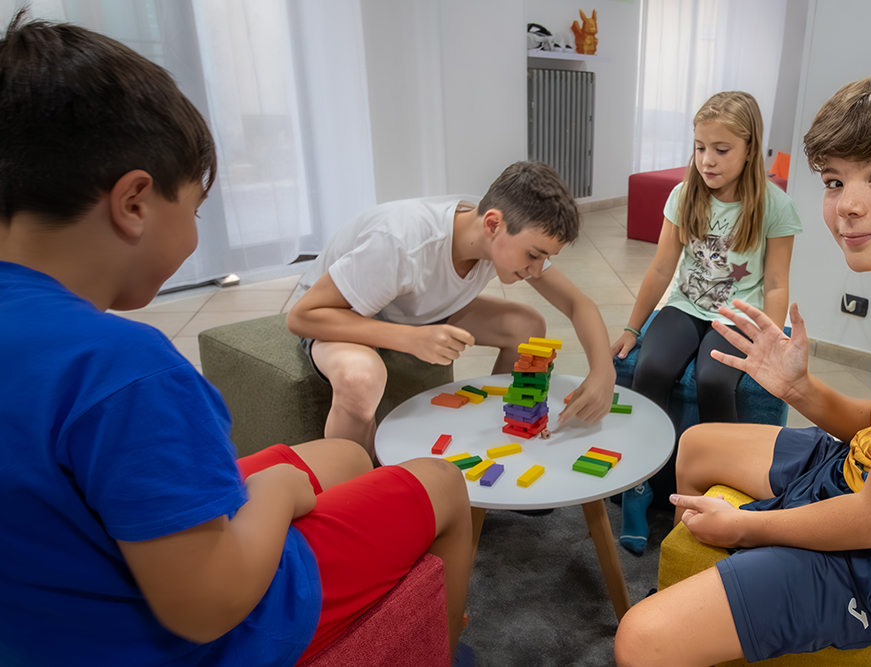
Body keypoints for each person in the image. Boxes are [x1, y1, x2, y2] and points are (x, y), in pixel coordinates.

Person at [0, 12, 474, 667]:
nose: (195, 230)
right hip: (203, 633)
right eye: (194, 209)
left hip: (64, 601)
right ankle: (437, 643)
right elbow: (206, 604)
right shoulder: (125, 371)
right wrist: (276, 494)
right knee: (442, 482)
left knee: (346, 458)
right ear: (134, 201)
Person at [614, 66, 871, 667]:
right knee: (695, 446)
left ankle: (725, 601)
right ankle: (724, 604)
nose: (848, 206)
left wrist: (747, 527)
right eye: (834, 180)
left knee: (640, 640)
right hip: (862, 470)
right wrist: (799, 388)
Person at [289, 161, 617, 459]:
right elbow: (302, 316)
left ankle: (507, 434)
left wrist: (604, 371)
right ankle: (355, 492)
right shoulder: (401, 242)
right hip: (343, 308)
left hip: (407, 305)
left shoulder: (503, 228)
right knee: (361, 378)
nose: (536, 269)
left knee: (526, 326)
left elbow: (577, 303)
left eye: (544, 258)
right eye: (533, 255)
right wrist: (410, 338)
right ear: (492, 224)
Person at [612, 91, 802, 553]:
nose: (707, 160)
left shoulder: (774, 207)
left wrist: (768, 340)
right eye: (700, 147)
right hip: (684, 306)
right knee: (650, 369)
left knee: (717, 380)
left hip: (738, 313)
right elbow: (661, 268)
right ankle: (638, 489)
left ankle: (719, 493)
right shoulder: (683, 195)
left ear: (750, 149)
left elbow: (776, 284)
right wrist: (633, 329)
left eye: (721, 150)